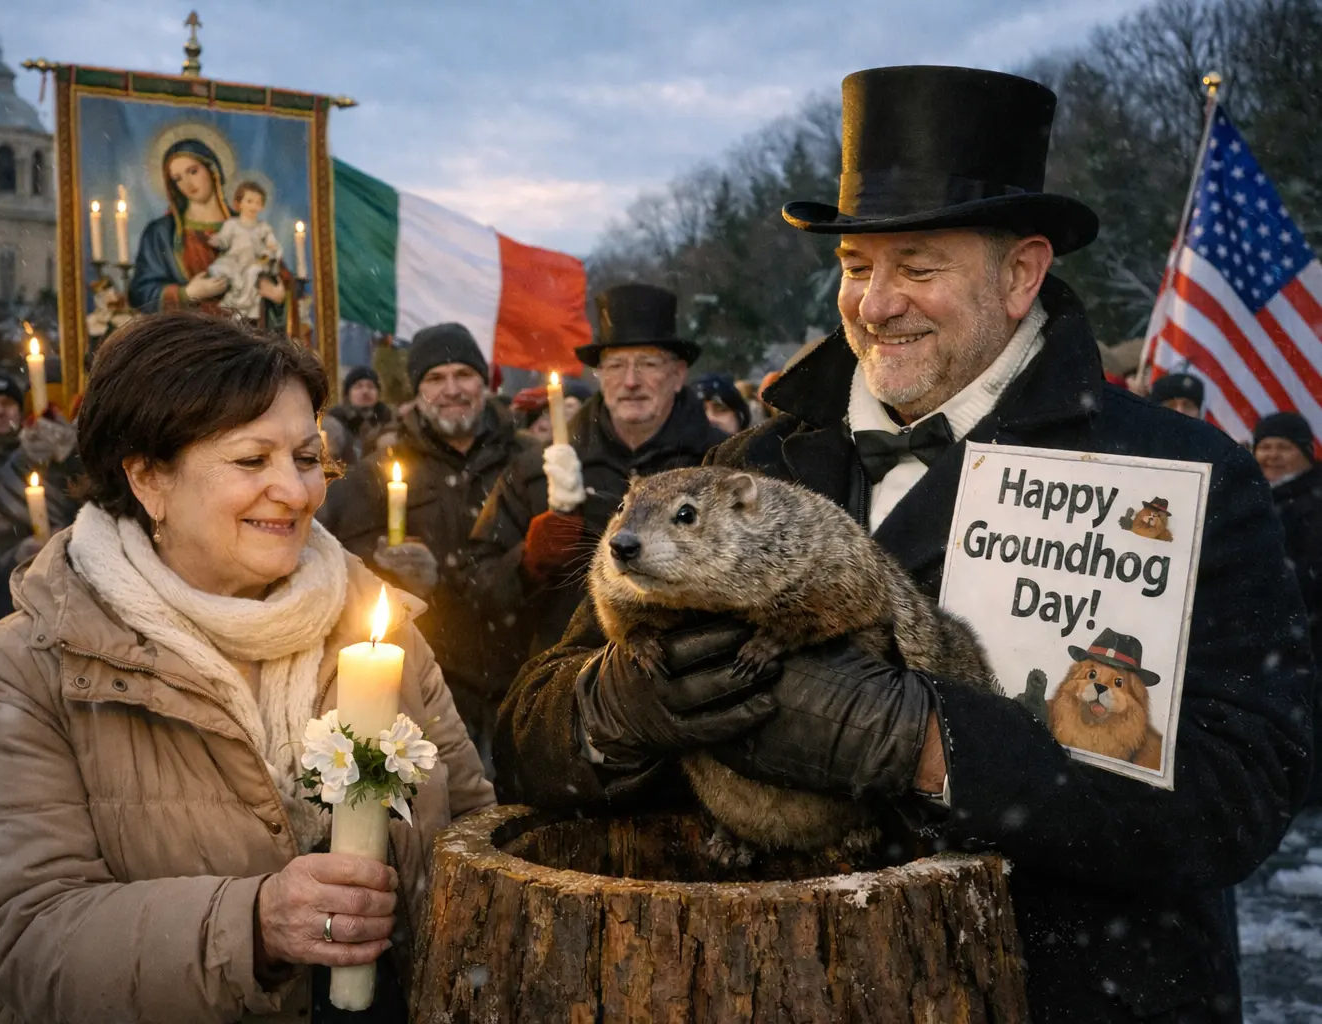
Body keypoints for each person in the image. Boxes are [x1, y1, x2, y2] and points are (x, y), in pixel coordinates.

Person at [494, 66, 1313, 1023]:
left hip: (1059, 989)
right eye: (855, 268)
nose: (877, 304)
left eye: (918, 267)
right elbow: (526, 739)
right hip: (782, 986)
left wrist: (926, 744)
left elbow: (1238, 796)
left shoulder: (1179, 473)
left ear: (1020, 274)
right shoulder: (747, 465)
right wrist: (623, 705)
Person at [0, 312, 494, 1023]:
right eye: (251, 461)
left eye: (306, 457)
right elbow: (24, 940)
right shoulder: (30, 666)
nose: (297, 492)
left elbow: (468, 829)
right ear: (149, 478)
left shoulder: (377, 625)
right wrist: (254, 925)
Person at [319, 322, 536, 768]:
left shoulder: (529, 460)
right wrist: (396, 576)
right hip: (432, 683)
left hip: (523, 676)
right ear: (417, 392)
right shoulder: (380, 471)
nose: (452, 389)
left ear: (484, 381)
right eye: (435, 378)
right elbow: (338, 560)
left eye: (464, 374)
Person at [469, 283, 727, 656]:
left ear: (677, 374)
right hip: (566, 683)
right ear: (600, 375)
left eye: (648, 364)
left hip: (690, 680)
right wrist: (527, 563)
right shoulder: (534, 470)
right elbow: (478, 590)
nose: (631, 381)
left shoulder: (719, 464)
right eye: (616, 365)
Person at [129, 139, 298, 337]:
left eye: (193, 171)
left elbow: (279, 279)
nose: (188, 184)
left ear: (212, 169)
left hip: (243, 344)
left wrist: (277, 296)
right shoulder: (161, 233)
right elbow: (141, 293)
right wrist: (187, 294)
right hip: (190, 345)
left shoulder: (249, 227)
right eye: (177, 178)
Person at [1253, 410, 1322, 802]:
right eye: (1265, 446)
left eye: (1284, 447)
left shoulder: (1314, 501)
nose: (1273, 456)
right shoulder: (1250, 495)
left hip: (1305, 639)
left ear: (1307, 454)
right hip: (1264, 638)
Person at [209, 180, 284, 322]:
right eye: (249, 201)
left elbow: (272, 243)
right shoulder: (232, 224)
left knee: (252, 272)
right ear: (239, 203)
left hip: (255, 261)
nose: (254, 206)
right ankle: (236, 307)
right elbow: (223, 239)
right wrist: (217, 241)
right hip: (235, 259)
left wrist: (272, 246)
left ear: (262, 206)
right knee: (224, 270)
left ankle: (242, 308)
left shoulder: (263, 227)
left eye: (258, 202)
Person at [323, 366, 394, 467]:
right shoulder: (335, 423)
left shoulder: (389, 420)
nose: (365, 391)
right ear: (348, 394)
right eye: (358, 387)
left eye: (370, 386)